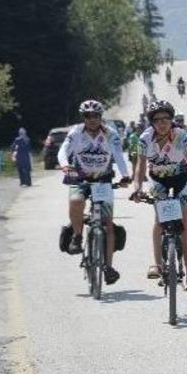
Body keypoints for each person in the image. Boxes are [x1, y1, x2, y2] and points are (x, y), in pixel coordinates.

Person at [130, 100, 187, 291]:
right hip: (159, 181)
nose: (162, 123)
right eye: (157, 120)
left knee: (186, 225)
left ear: (171, 120)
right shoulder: (144, 139)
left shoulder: (182, 137)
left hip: (181, 179)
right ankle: (157, 265)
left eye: (166, 119)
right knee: (159, 221)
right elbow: (140, 166)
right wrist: (137, 188)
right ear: (151, 122)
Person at [58, 100, 132, 284]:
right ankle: (77, 236)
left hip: (103, 179)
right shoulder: (76, 132)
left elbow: (118, 156)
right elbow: (63, 150)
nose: (92, 119)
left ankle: (108, 267)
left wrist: (125, 176)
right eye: (88, 116)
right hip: (80, 177)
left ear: (101, 117)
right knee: (76, 201)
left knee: (108, 224)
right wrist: (65, 165)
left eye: (96, 116)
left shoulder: (111, 134)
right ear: (83, 117)